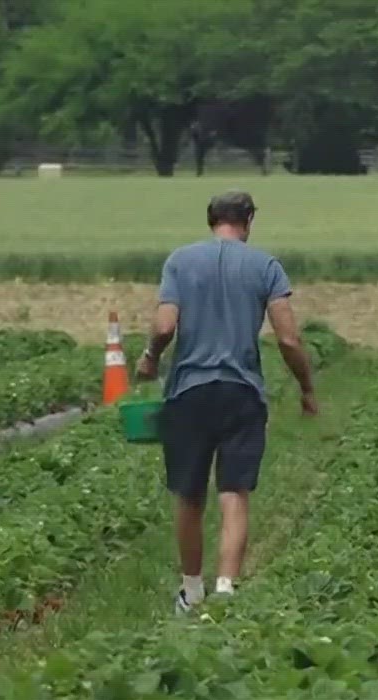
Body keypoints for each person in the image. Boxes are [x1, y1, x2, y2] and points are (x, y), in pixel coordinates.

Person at [135, 190, 317, 614]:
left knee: (189, 493)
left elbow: (164, 326)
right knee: (234, 491)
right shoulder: (265, 266)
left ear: (210, 220)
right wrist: (307, 388)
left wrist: (149, 359)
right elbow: (288, 338)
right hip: (242, 391)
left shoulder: (180, 261)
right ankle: (227, 589)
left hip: (188, 391)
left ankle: (191, 590)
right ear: (249, 220)